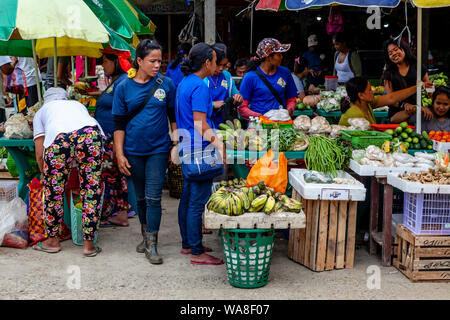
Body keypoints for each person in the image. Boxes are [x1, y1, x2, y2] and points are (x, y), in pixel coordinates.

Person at [113, 40, 177, 265]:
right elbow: (118, 124)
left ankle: (152, 243)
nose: (157, 64)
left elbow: (173, 117)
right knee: (139, 198)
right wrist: (119, 154)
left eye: (160, 60)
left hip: (158, 149)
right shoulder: (123, 87)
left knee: (153, 197)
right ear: (139, 61)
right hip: (132, 151)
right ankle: (145, 235)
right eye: (152, 61)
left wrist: (175, 143)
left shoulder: (166, 84)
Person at [32, 87, 105, 257]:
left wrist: (44, 173)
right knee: (91, 190)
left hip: (59, 139)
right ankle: (89, 246)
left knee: (53, 192)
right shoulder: (77, 105)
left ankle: (52, 242)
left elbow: (39, 150)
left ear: (46, 100)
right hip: (91, 135)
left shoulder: (42, 111)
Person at [175, 42, 225, 265]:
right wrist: (219, 144)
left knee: (187, 198)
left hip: (187, 146)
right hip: (199, 149)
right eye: (215, 60)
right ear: (207, 62)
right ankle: (197, 252)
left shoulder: (185, 82)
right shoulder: (200, 86)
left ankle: (188, 245)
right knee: (196, 202)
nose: (217, 64)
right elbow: (199, 123)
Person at [93, 49, 133, 227]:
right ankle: (120, 212)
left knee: (112, 177)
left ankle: (120, 213)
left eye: (105, 61)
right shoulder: (116, 82)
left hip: (113, 138)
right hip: (108, 137)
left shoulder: (123, 82)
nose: (102, 65)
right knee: (114, 177)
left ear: (115, 62)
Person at [238, 38, 297, 120]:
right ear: (269, 57)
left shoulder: (285, 73)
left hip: (281, 123)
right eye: (279, 55)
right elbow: (242, 107)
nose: (281, 57)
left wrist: (289, 110)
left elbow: (291, 99)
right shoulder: (250, 77)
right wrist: (262, 118)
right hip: (258, 125)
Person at [382, 38, 432, 124]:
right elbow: (390, 98)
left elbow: (430, 89)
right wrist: (404, 105)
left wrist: (434, 104)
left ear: (404, 48)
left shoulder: (418, 67)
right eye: (390, 53)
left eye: (395, 49)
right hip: (398, 114)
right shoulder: (388, 73)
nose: (394, 54)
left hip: (417, 111)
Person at [339, 76, 418, 127]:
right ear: (361, 95)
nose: (372, 92)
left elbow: (391, 98)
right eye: (369, 90)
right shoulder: (355, 114)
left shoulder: (366, 103)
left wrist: (416, 88)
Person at [207, 43, 242, 128]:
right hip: (207, 124)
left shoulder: (227, 75)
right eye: (218, 64)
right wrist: (212, 104)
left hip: (226, 123)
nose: (221, 68)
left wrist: (238, 97)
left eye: (224, 65)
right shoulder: (203, 77)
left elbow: (235, 94)